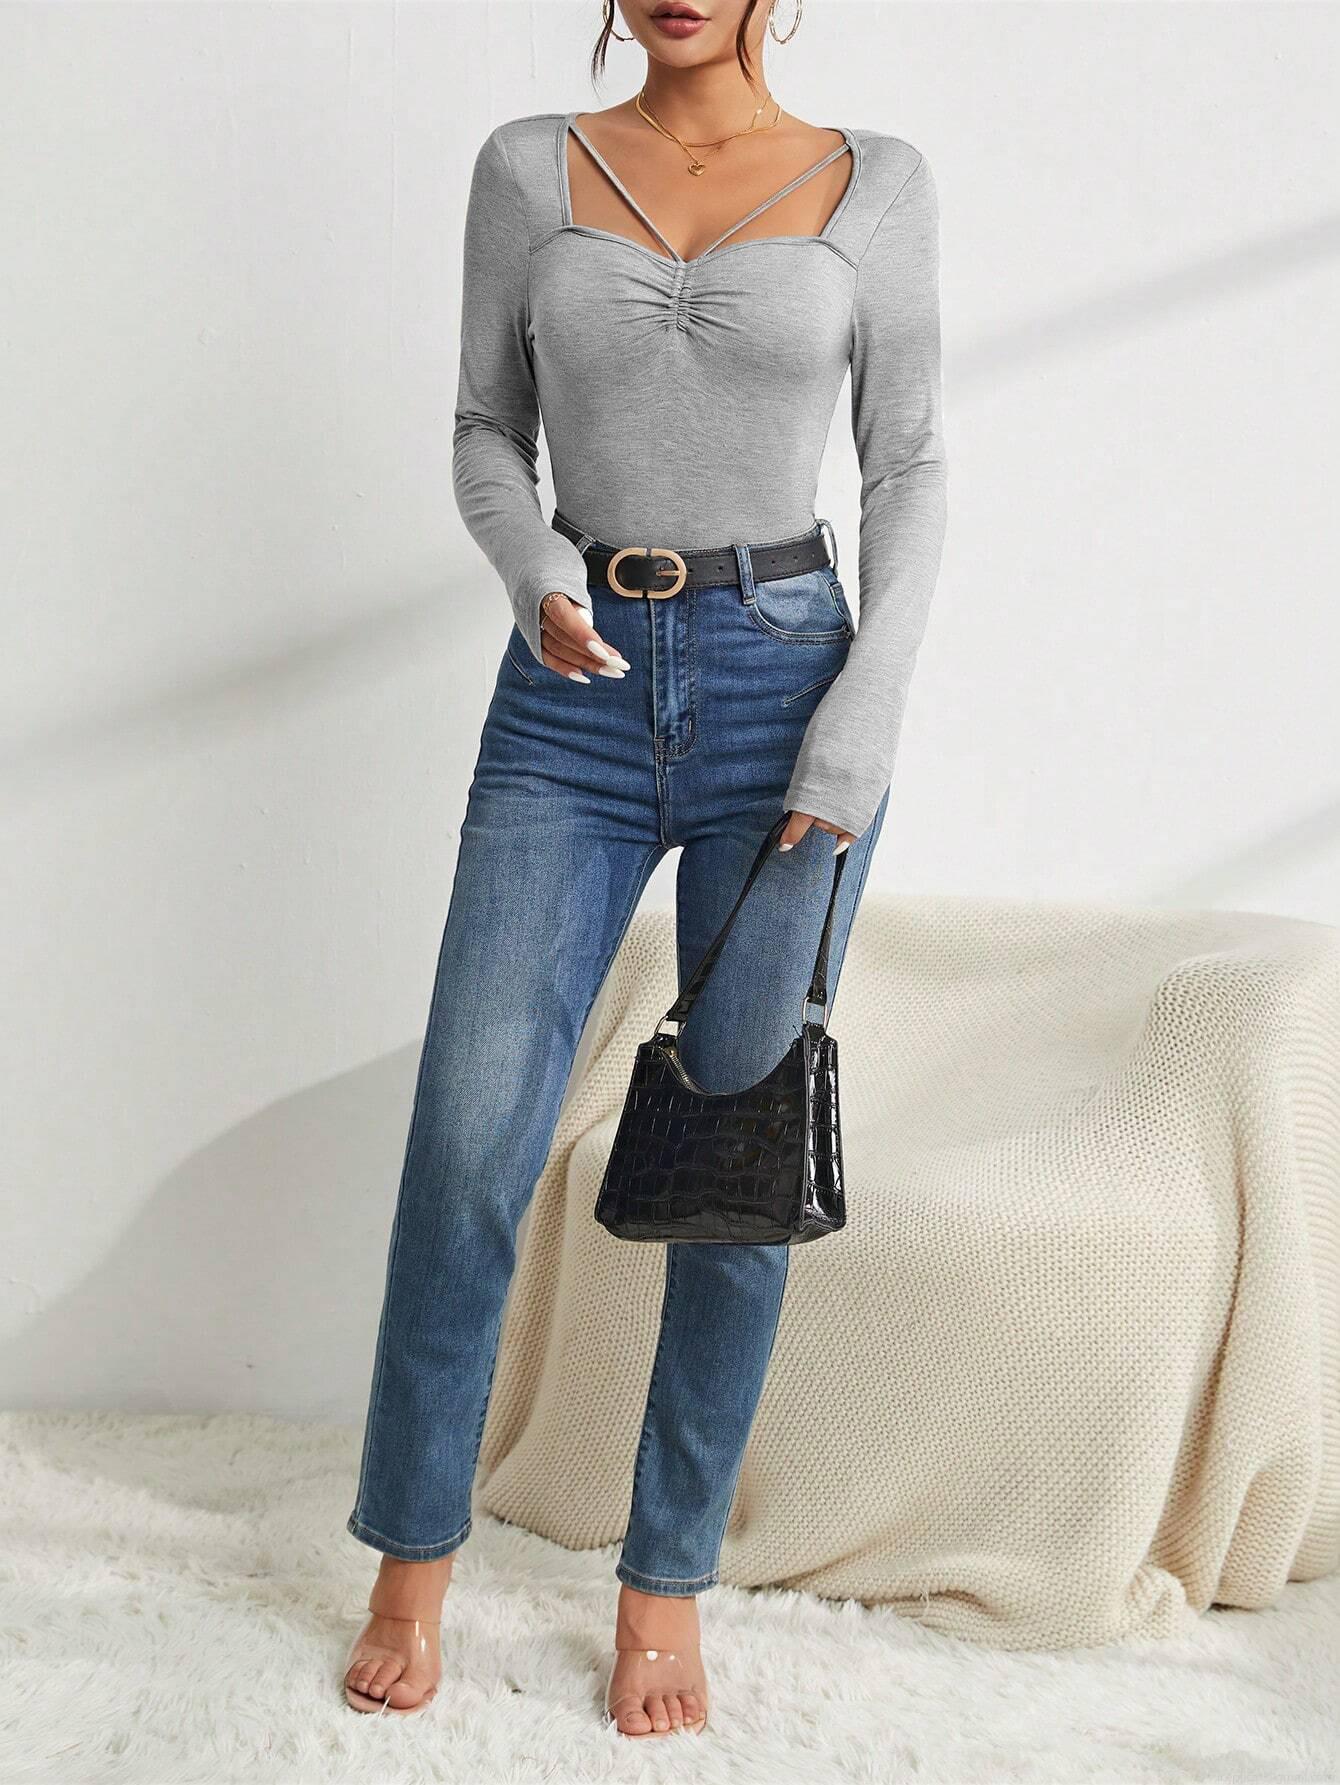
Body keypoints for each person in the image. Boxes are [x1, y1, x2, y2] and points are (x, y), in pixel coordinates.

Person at [341, 0, 947, 1737]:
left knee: (735, 1159)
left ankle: (666, 1580)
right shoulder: (527, 169)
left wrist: (861, 725)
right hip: (572, 695)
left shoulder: (875, 183)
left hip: (789, 681)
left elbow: (908, 465)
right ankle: (409, 1560)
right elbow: (485, 428)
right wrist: (539, 573)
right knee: (471, 1132)